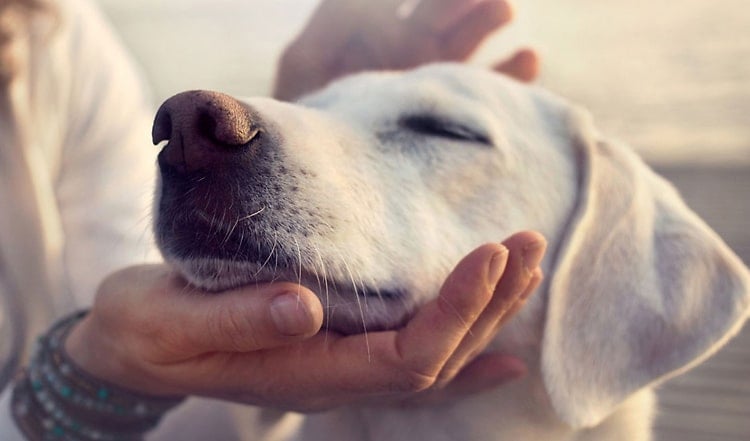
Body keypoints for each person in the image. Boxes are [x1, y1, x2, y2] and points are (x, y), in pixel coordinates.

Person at [0, 0, 544, 439]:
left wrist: (307, 138)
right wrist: (89, 375)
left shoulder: (50, 31)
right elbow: (117, 332)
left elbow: (133, 303)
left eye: (443, 131)